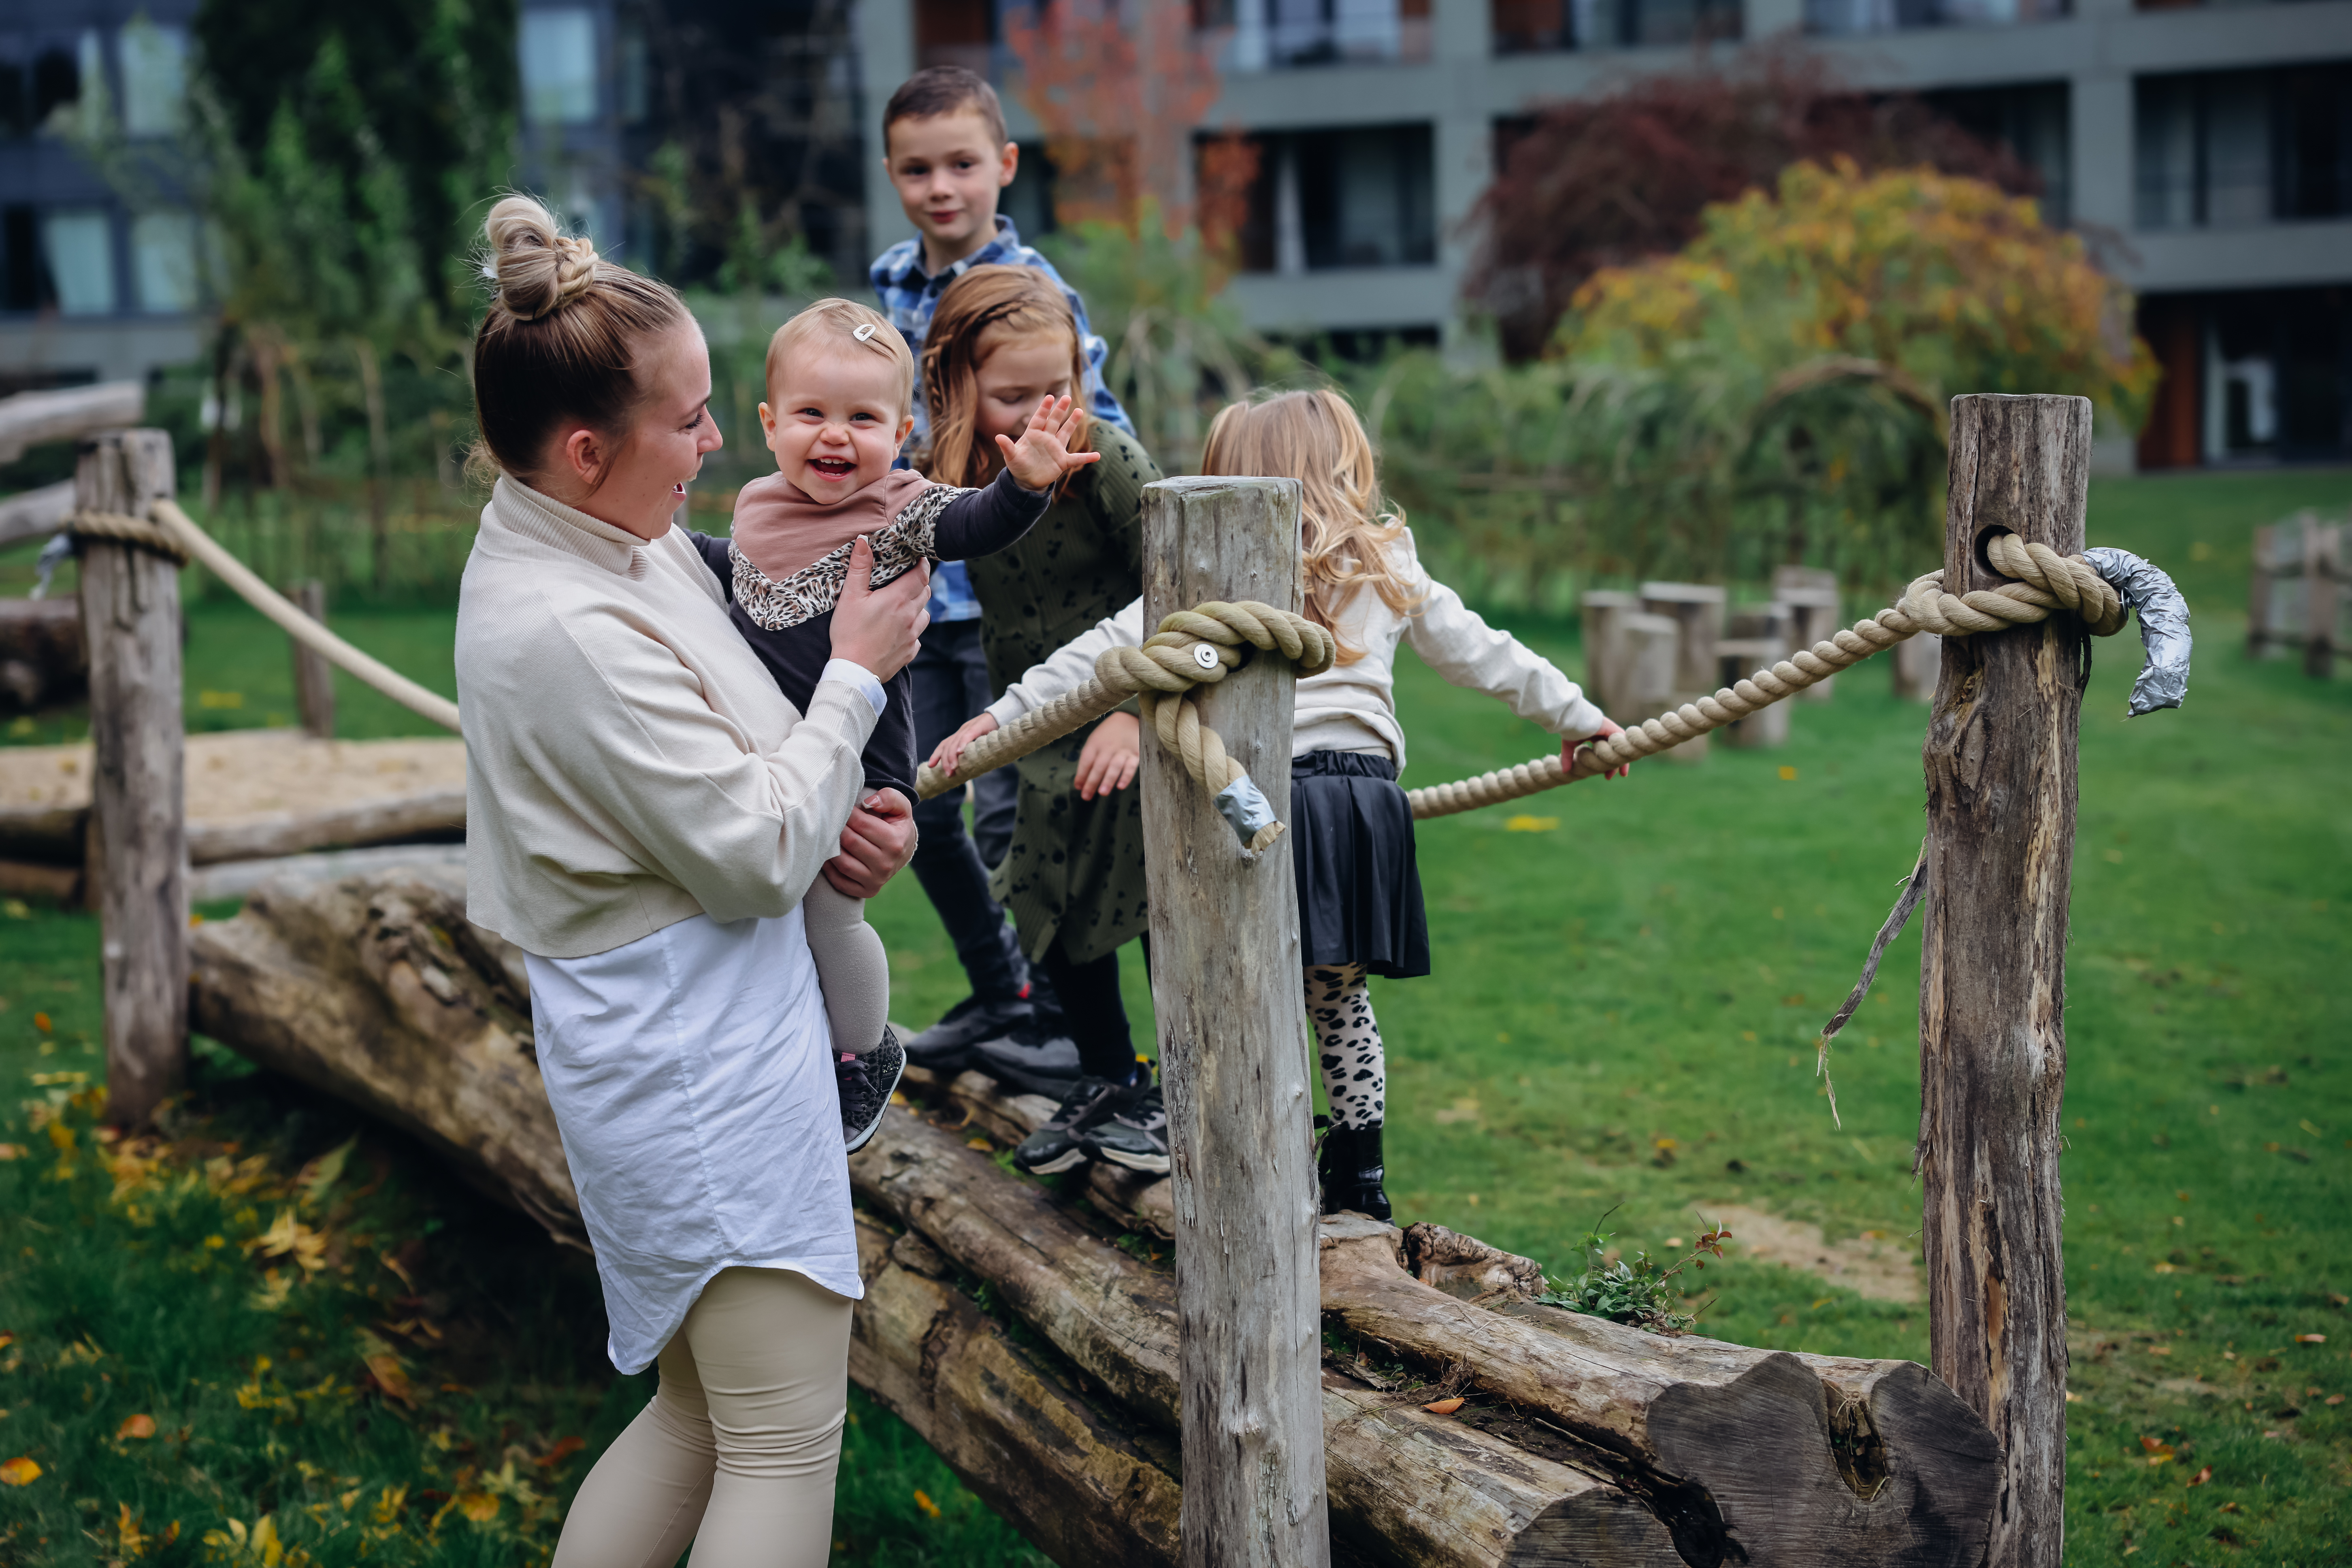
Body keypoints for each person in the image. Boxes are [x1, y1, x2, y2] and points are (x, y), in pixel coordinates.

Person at [454, 195, 926, 1568]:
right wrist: (856, 679)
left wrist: (849, 808)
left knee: (699, 1419)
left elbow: (747, 785)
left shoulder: (604, 534)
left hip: (686, 1037)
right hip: (693, 1064)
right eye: (690, 419)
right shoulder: (563, 621)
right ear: (587, 447)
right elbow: (749, 856)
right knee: (778, 1436)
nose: (719, 444)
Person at [931, 389, 1631, 1211]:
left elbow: (1101, 653)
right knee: (1336, 996)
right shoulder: (1385, 558)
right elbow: (1486, 654)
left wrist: (997, 713)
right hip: (1363, 805)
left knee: (1247, 994)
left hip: (1271, 800)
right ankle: (1360, 1174)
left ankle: (1269, 1163)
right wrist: (1579, 716)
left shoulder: (1212, 572)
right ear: (1345, 466)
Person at [674, 296, 1095, 1114]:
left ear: (900, 432)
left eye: (862, 418)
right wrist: (674, 549)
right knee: (765, 917)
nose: (835, 435)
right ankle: (782, 1046)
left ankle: (861, 1056)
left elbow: (977, 523)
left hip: (861, 763)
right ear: (768, 424)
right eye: (811, 414)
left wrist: (1024, 484)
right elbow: (739, 571)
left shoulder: (900, 507)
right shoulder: (759, 503)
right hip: (766, 755)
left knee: (831, 913)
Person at [870, 64, 1136, 1059]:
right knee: (913, 800)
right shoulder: (891, 285)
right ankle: (1003, 993)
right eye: (917, 168)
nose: (942, 187)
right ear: (893, 175)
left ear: (1005, 167)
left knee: (1006, 812)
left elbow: (1100, 434)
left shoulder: (1037, 296)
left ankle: (1068, 1027)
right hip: (915, 591)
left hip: (1011, 596)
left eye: (962, 165)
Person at [906, 264, 1161, 1174]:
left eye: (1057, 388)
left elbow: (1184, 586)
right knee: (1045, 892)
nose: (1039, 412)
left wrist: (1133, 710)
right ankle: (1104, 1078)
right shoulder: (967, 473)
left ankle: (1168, 1088)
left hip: (1128, 720)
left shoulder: (1108, 463)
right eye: (1012, 395)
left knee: (1140, 902)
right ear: (954, 386)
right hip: (1036, 719)